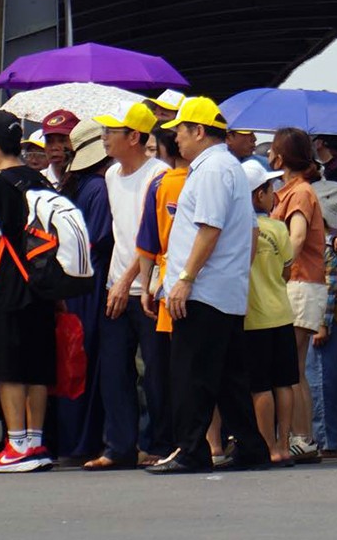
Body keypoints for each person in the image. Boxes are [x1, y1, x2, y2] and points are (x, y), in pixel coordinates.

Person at [146, 98, 266, 474]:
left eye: (180, 131)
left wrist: (184, 279)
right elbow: (250, 232)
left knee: (190, 375)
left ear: (199, 131)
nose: (176, 139)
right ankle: (250, 447)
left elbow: (209, 228)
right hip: (222, 291)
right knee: (229, 377)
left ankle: (191, 449)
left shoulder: (212, 169)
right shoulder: (227, 166)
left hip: (203, 291)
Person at [0, 111, 59, 472]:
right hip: (42, 285)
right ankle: (35, 442)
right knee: (37, 367)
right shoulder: (39, 180)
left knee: (8, 368)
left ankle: (15, 445)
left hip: (9, 285)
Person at [88, 103, 169, 470]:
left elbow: (151, 236)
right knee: (114, 369)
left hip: (148, 288)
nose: (104, 138)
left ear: (134, 137)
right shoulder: (110, 175)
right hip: (117, 284)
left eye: (111, 132)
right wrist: (116, 281)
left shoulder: (159, 175)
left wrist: (127, 281)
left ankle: (157, 442)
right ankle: (118, 446)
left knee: (155, 370)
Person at [52, 119, 112, 463]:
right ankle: (83, 443)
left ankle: (70, 442)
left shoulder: (72, 188)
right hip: (92, 282)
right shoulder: (99, 190)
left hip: (70, 284)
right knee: (87, 365)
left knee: (71, 364)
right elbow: (101, 238)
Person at [268, 127, 328, 465]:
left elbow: (298, 236)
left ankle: (302, 437)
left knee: (293, 365)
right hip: (298, 282)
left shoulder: (300, 192)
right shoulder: (288, 190)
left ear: (280, 156)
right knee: (294, 366)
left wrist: (277, 268)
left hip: (299, 282)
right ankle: (301, 436)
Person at [241, 159, 298, 466]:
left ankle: (268, 446)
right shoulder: (278, 228)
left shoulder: (239, 229)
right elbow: (287, 271)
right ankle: (284, 444)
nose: (273, 193)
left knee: (259, 386)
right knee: (284, 382)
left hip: (253, 317)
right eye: (269, 188)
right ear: (257, 194)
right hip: (281, 313)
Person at [40, 109, 78, 190]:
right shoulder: (37, 182)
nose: (54, 148)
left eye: (62, 140)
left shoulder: (88, 183)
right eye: (49, 141)